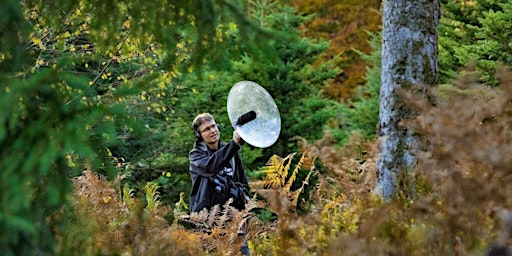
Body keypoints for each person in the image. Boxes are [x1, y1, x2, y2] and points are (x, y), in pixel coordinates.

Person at [189, 113, 251, 255]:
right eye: (206, 129)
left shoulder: (231, 152)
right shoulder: (196, 156)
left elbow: (243, 183)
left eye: (213, 126)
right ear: (199, 135)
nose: (212, 131)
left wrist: (244, 211)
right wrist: (233, 145)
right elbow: (212, 166)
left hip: (234, 222)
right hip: (209, 224)